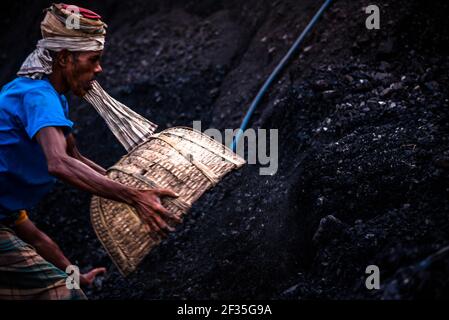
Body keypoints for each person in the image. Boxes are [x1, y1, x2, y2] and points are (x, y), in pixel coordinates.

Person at [0, 3, 178, 300]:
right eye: (93, 59)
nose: (98, 69)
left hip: (6, 214)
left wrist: (76, 275)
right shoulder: (39, 97)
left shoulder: (39, 93)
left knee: (66, 281)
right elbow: (58, 164)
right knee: (67, 297)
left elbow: (74, 160)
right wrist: (135, 198)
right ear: (65, 58)